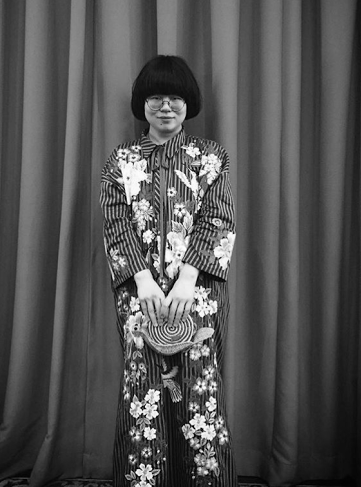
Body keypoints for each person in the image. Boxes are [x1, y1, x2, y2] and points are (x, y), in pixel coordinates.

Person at [100, 55, 237, 487]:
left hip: (197, 293)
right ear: (142, 103)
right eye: (156, 97)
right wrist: (142, 280)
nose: (165, 106)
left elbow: (219, 219)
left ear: (188, 103)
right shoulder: (121, 162)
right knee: (142, 390)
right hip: (139, 295)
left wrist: (188, 279)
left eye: (174, 97)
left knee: (200, 388)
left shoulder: (211, 158)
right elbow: (115, 223)